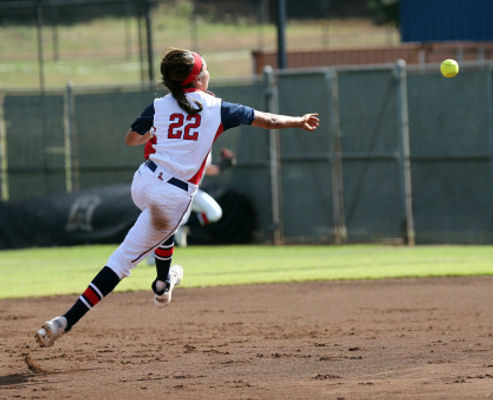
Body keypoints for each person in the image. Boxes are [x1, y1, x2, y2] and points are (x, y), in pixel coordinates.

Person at [34, 47, 320, 347]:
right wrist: (298, 121)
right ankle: (64, 321)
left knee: (165, 228)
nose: (208, 72)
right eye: (205, 68)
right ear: (197, 78)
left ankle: (162, 283)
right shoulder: (217, 108)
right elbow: (270, 121)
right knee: (122, 262)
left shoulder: (159, 105)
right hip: (172, 196)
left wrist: (154, 133)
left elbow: (131, 138)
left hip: (144, 182)